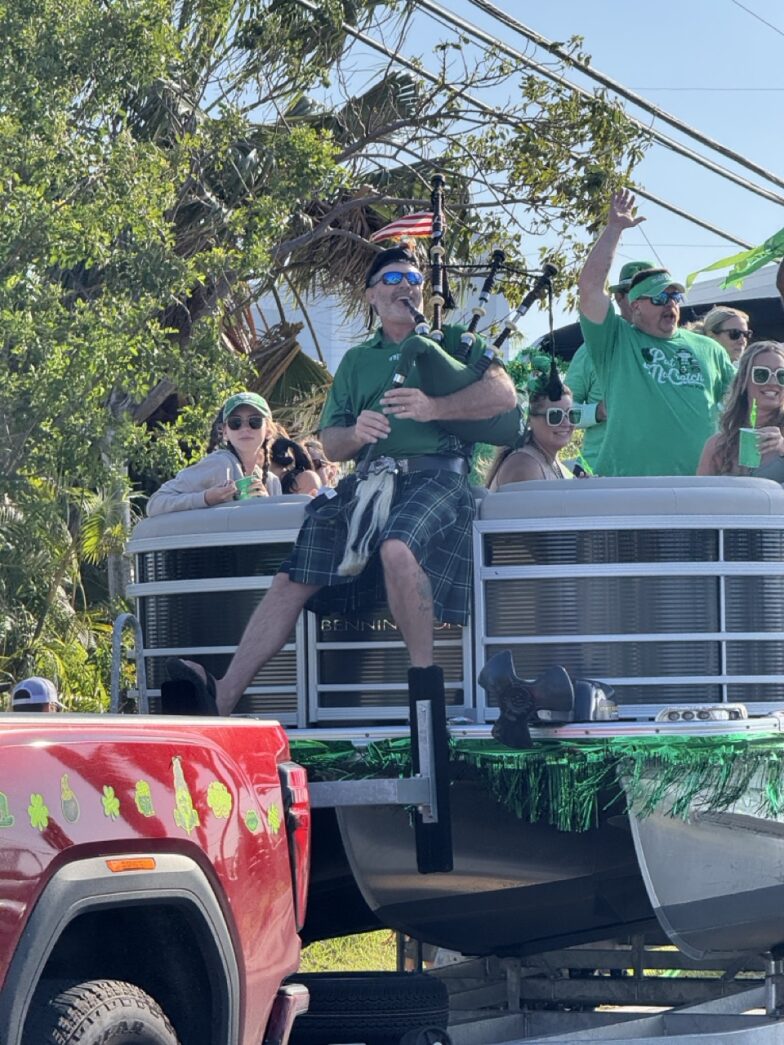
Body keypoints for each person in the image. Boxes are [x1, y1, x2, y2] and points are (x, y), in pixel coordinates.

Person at [165, 244, 516, 716]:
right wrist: (356, 432)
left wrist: (435, 409)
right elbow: (331, 444)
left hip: (437, 479)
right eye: (392, 279)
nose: (406, 287)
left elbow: (504, 396)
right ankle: (225, 693)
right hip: (369, 486)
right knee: (291, 577)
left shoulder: (452, 341)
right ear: (371, 295)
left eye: (413, 279)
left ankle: (424, 693)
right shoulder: (357, 361)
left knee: (397, 547)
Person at [578, 190, 735, 477]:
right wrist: (614, 229)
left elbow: (745, 402)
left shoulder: (709, 348)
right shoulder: (616, 341)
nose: (671, 305)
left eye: (675, 297)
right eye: (660, 298)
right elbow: (589, 288)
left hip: (699, 486)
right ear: (635, 306)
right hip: (629, 486)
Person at [566, 259, 654, 472]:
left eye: (650, 294)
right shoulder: (591, 351)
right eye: (632, 292)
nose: (640, 302)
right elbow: (563, 412)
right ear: (618, 297)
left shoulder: (677, 350)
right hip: (603, 474)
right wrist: (598, 411)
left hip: (660, 473)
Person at [146, 392, 281, 517]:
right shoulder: (220, 464)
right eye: (236, 423)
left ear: (269, 430)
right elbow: (155, 504)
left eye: (255, 421)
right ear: (225, 432)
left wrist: (265, 505)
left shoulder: (272, 482)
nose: (245, 428)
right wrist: (206, 498)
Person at [697, 340, 784, 478]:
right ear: (744, 379)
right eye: (761, 374)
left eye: (781, 375)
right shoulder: (718, 445)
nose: (773, 383)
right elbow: (699, 496)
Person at [486, 384, 576, 488]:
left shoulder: (552, 462)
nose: (567, 422)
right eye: (555, 415)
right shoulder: (524, 466)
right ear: (529, 420)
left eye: (571, 414)